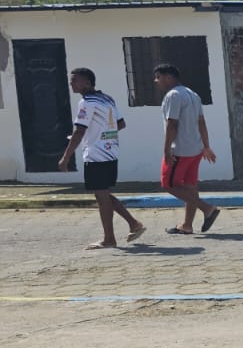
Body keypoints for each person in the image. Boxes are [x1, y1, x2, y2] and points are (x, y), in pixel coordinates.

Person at [58, 67, 145, 250]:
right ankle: (133, 224)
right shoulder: (107, 99)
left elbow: (79, 131)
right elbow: (121, 124)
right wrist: (102, 133)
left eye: (75, 80)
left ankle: (109, 238)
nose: (71, 84)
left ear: (87, 82)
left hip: (96, 154)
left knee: (101, 196)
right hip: (111, 151)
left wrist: (66, 156)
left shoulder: (87, 102)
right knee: (102, 193)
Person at [153, 64, 221, 235]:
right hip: (196, 149)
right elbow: (201, 121)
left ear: (169, 77)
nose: (156, 81)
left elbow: (172, 123)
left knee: (168, 185)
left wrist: (167, 150)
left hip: (179, 150)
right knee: (190, 187)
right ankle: (187, 225)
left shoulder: (173, 95)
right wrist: (206, 146)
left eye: (158, 77)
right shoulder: (193, 94)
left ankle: (207, 209)